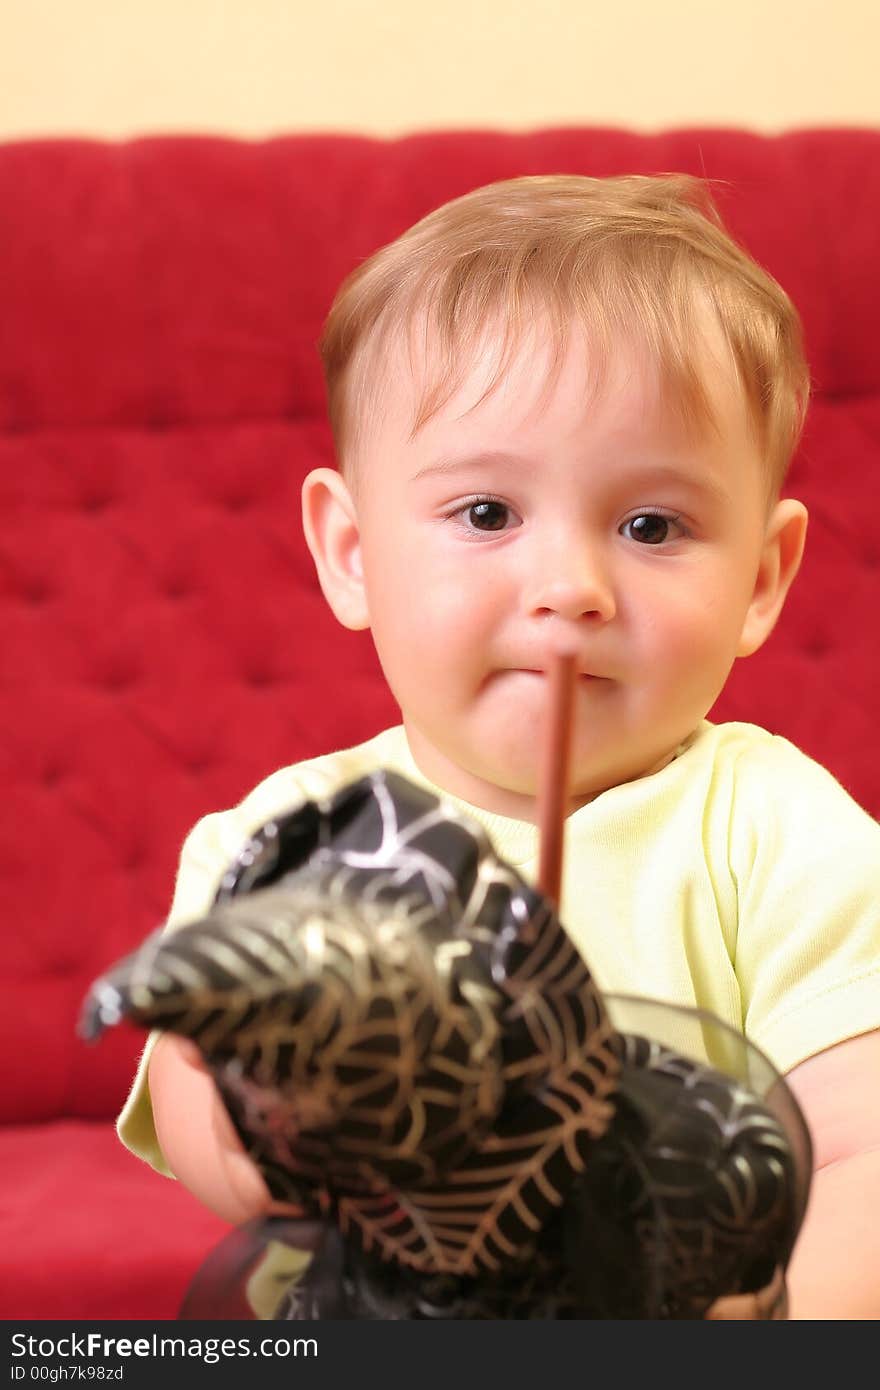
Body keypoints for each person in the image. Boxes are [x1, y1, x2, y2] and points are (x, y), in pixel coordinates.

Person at [117, 173, 880, 1318]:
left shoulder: (779, 832)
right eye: (486, 514)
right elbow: (200, 1094)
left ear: (761, 579)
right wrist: (295, 1123)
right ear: (353, 552)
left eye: (651, 526)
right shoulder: (296, 842)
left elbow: (861, 1156)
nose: (571, 588)